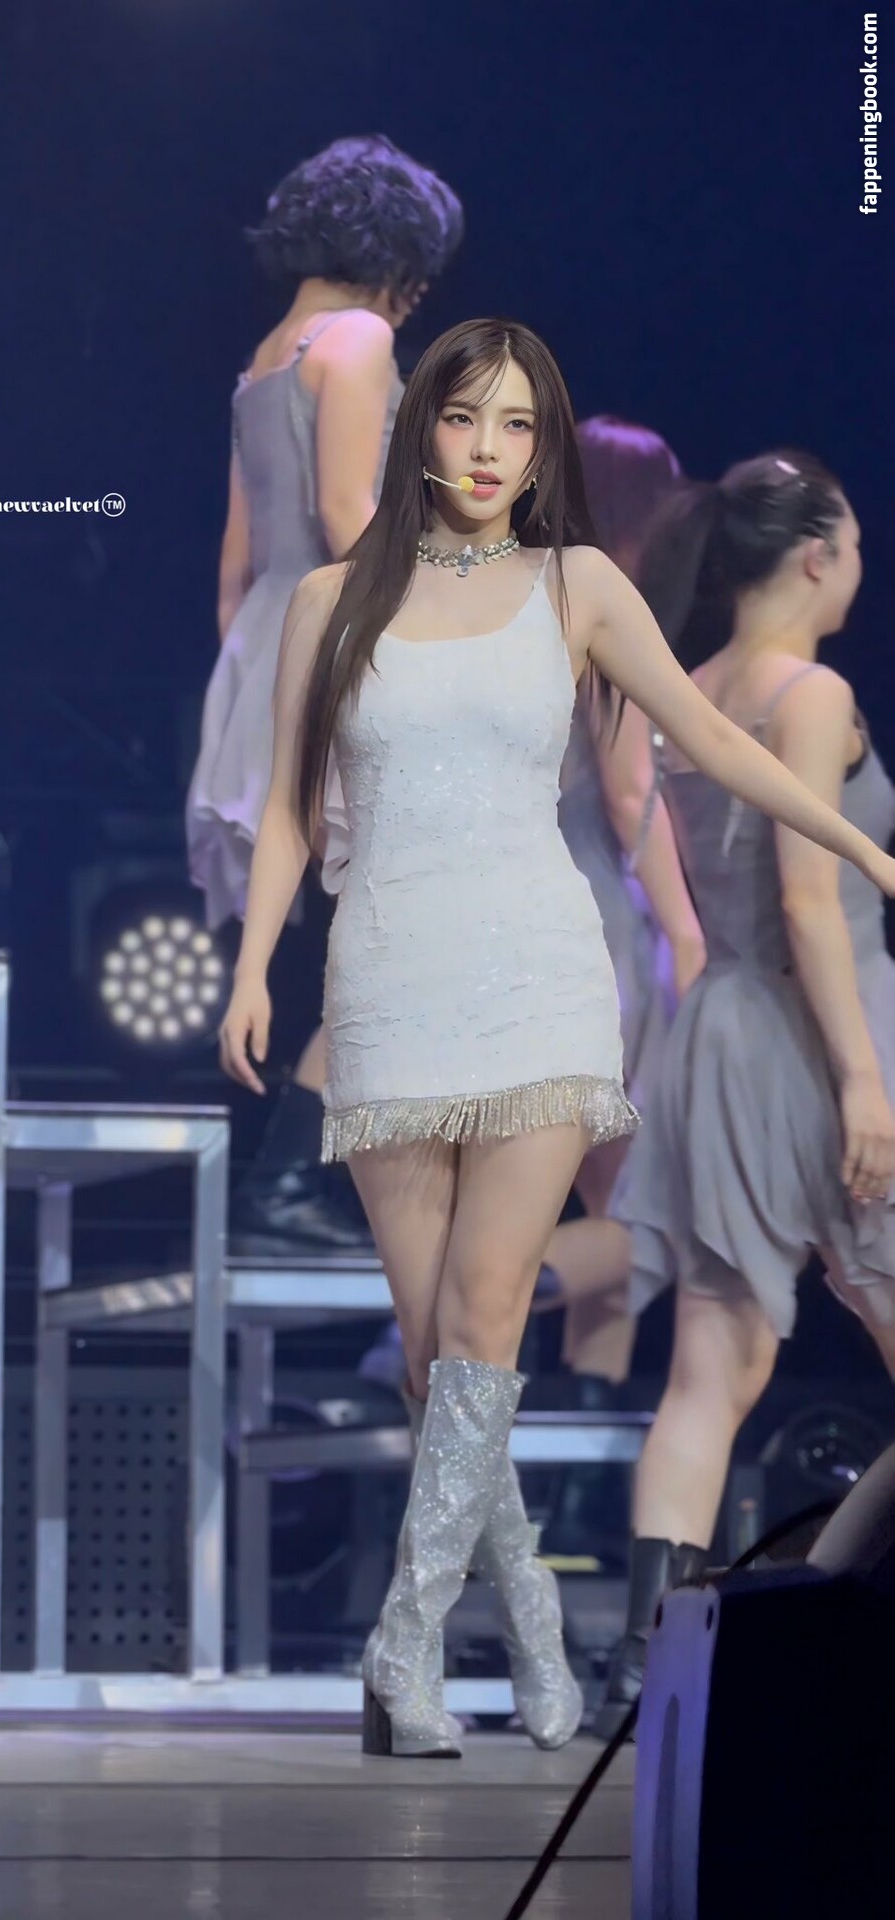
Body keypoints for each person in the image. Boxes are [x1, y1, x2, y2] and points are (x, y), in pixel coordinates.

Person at [218, 320, 895, 1760]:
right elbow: (285, 805)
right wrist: (253, 969)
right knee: (434, 1355)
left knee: (483, 1317)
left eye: (518, 426)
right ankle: (528, 1612)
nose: (487, 450)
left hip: (537, 978)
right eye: (465, 418)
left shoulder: (577, 582)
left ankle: (402, 1650)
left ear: (542, 449)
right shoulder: (332, 600)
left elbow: (713, 744)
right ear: (422, 428)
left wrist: (859, 844)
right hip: (388, 982)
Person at [593, 451, 895, 1736]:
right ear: (817, 553)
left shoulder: (693, 686)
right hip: (814, 1035)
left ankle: (639, 1665)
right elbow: (807, 902)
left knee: (707, 1376)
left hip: (713, 1037)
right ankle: (840, 1610)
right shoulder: (807, 692)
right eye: (857, 544)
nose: (861, 567)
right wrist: (862, 1082)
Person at [186, 134, 463, 1255]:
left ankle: (293, 1179)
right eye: (420, 268)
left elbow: (235, 571)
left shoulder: (264, 359)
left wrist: (261, 685)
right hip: (352, 635)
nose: (420, 293)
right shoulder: (356, 339)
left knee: (374, 922)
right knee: (402, 921)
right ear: (391, 253)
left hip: (272, 642)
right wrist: (444, 635)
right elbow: (352, 517)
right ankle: (288, 1181)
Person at [537, 420, 705, 1564]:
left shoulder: (519, 602)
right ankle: (457, 1306)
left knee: (612, 1199)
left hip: (529, 909)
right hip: (600, 923)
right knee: (654, 1216)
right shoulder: (607, 610)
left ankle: (572, 1501)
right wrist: (688, 934)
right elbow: (630, 789)